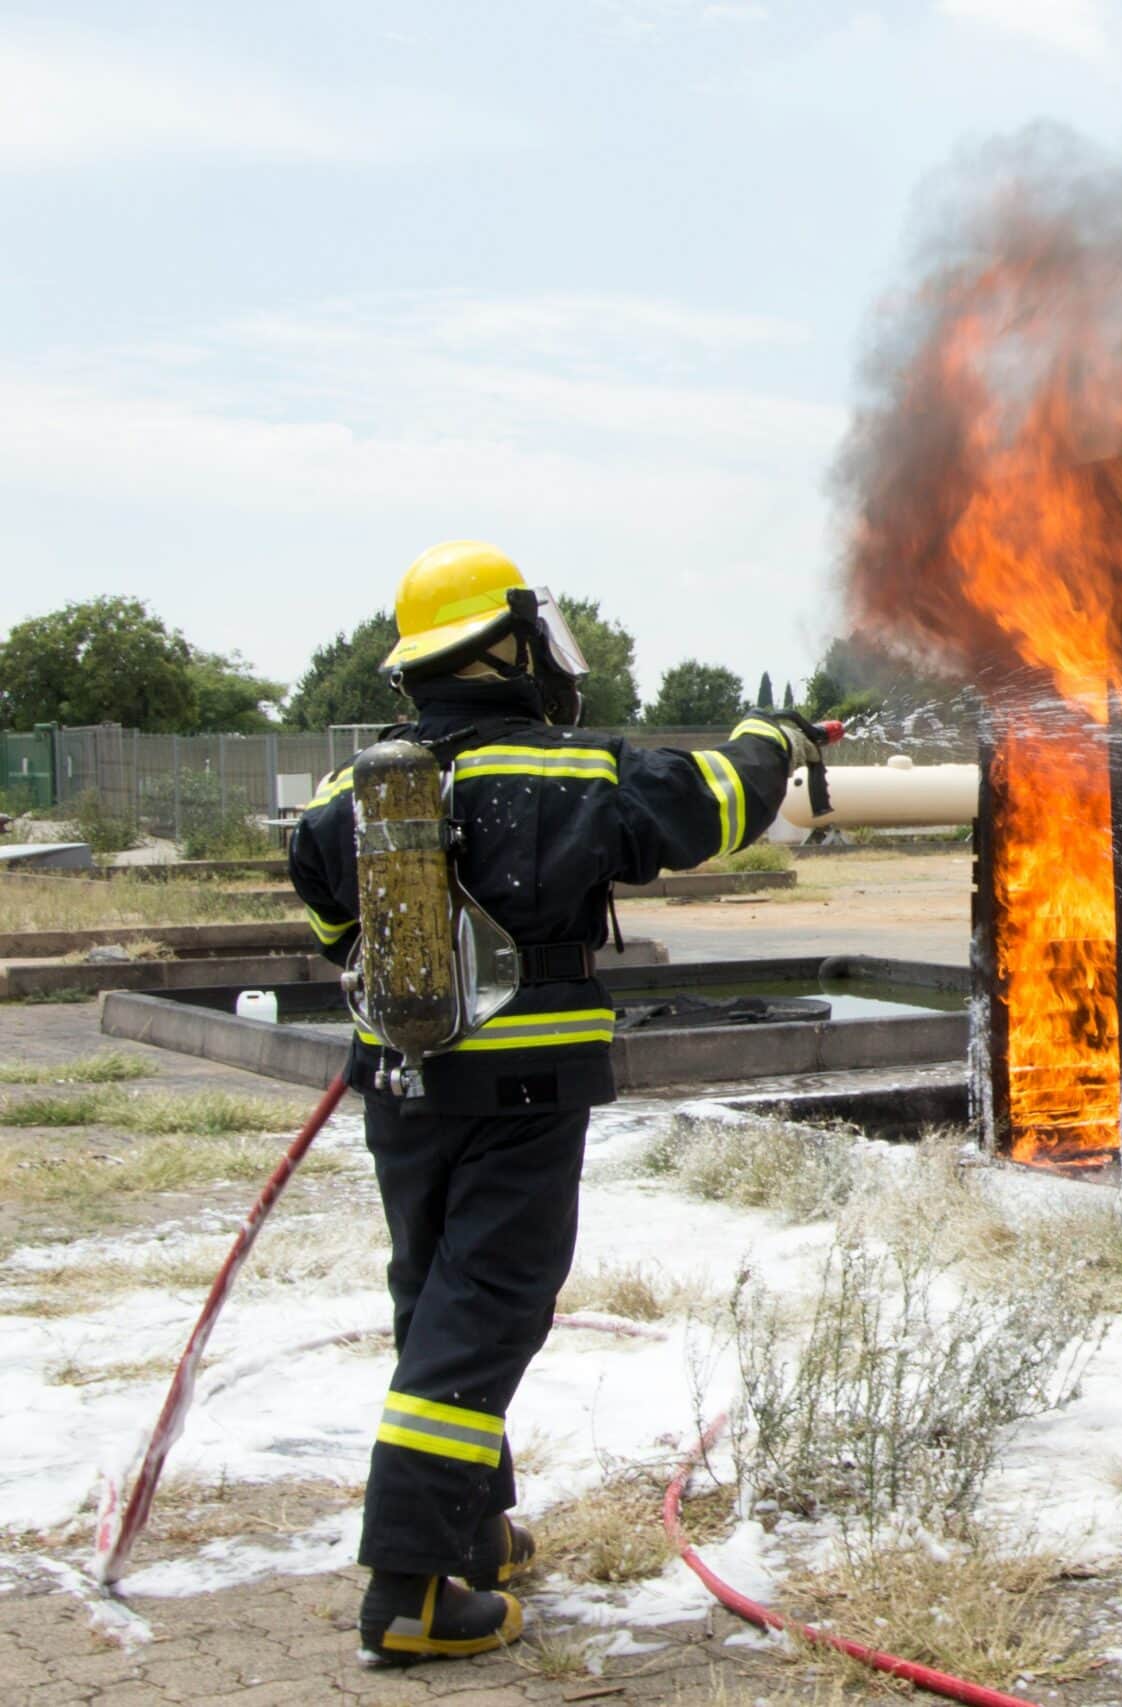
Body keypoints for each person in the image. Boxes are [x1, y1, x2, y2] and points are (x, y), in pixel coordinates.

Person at [287, 541, 821, 1666]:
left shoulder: (346, 792)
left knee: (436, 1299)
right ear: (505, 648)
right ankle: (409, 1589)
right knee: (486, 1310)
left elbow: (338, 928)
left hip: (402, 1092)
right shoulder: (564, 773)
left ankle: (471, 1532)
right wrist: (770, 740)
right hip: (525, 1095)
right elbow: (708, 805)